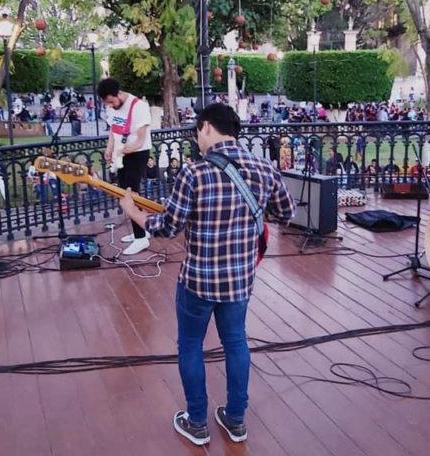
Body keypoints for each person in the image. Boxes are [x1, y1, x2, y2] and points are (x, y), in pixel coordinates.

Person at [120, 103, 295, 446]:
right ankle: (236, 419)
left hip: (198, 281)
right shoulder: (263, 168)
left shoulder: (194, 173)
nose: (197, 140)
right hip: (240, 280)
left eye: (197, 132)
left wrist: (134, 212)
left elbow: (168, 227)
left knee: (190, 345)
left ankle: (197, 422)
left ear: (207, 128)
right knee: (236, 342)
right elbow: (286, 214)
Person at [97, 78, 152, 255]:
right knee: (124, 193)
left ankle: (140, 237)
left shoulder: (139, 106)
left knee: (131, 193)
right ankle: (143, 227)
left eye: (111, 101)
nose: (110, 106)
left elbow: (142, 136)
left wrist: (133, 147)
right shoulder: (111, 107)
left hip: (137, 154)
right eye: (107, 103)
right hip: (121, 154)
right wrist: (109, 148)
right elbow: (113, 130)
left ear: (118, 94)